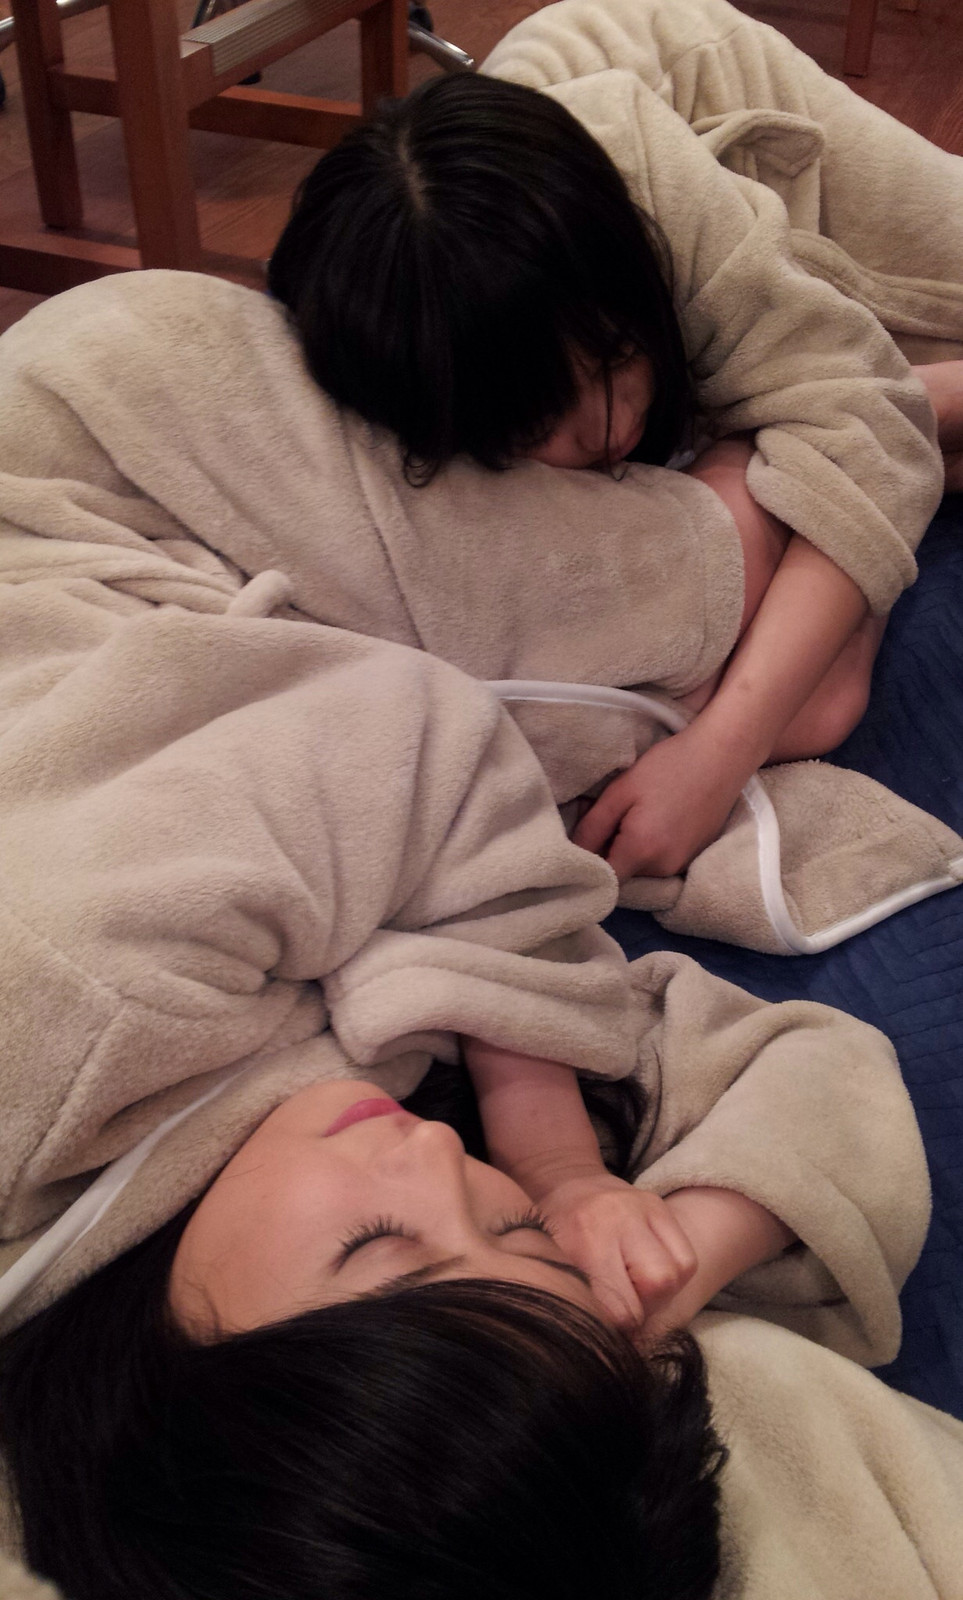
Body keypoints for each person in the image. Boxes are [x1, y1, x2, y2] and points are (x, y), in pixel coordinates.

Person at [266, 0, 963, 881]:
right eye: (537, 424)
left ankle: (931, 399)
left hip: (687, 89)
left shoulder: (638, 177)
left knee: (869, 421)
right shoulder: (383, 339)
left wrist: (721, 751)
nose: (608, 428)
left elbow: (866, 429)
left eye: (615, 357)